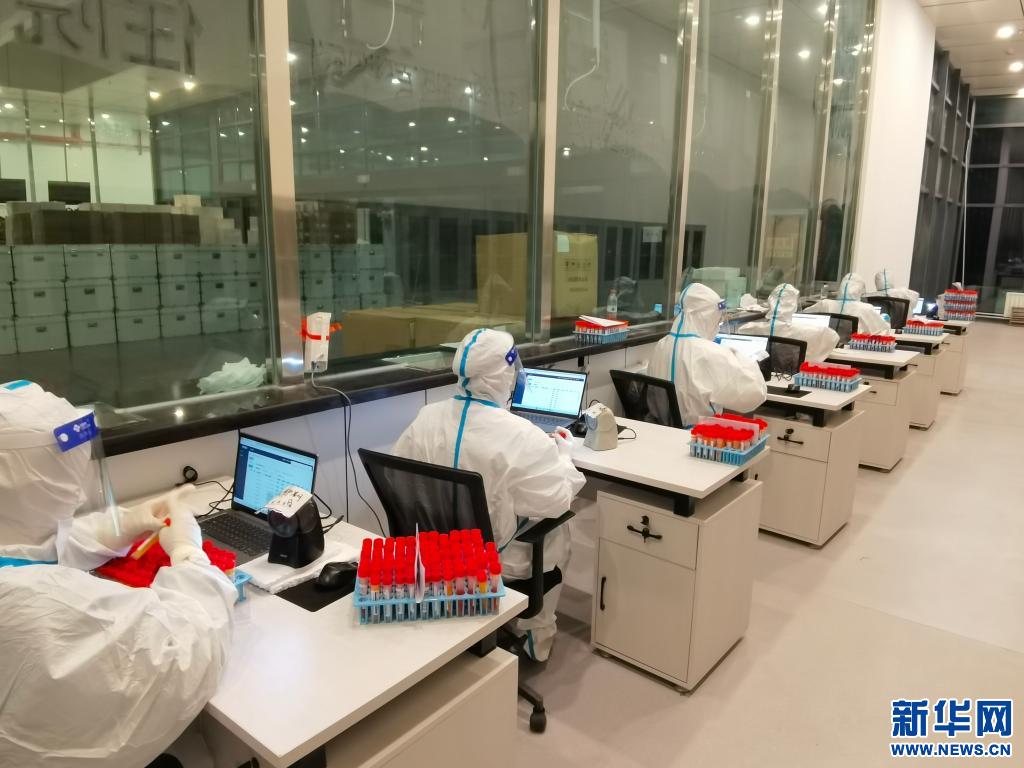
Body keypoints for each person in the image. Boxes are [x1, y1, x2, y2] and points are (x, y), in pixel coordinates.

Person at [0, 380, 235, 768]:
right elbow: (185, 652)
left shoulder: (12, 539)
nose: (78, 493)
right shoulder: (40, 608)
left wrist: (120, 528)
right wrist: (188, 554)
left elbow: (22, 547)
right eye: (64, 476)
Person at [392, 329, 585, 662]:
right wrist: (564, 457)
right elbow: (556, 500)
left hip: (434, 555)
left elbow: (403, 485)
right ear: (504, 374)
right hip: (495, 563)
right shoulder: (522, 436)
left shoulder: (426, 418)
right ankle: (534, 633)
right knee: (558, 528)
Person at [648, 283, 768, 427]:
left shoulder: (661, 345)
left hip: (661, 431)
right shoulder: (710, 353)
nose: (718, 324)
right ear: (707, 317)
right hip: (699, 434)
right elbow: (755, 395)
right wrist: (744, 360)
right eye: (717, 319)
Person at [738, 282, 840, 362]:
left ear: (770, 302)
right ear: (793, 305)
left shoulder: (748, 328)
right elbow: (833, 337)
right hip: (791, 379)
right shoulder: (805, 331)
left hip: (763, 376)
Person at [805, 272, 891, 335]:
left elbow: (802, 317)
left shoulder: (825, 304)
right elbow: (882, 331)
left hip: (827, 349)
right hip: (854, 351)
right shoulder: (866, 309)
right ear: (860, 290)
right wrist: (885, 320)